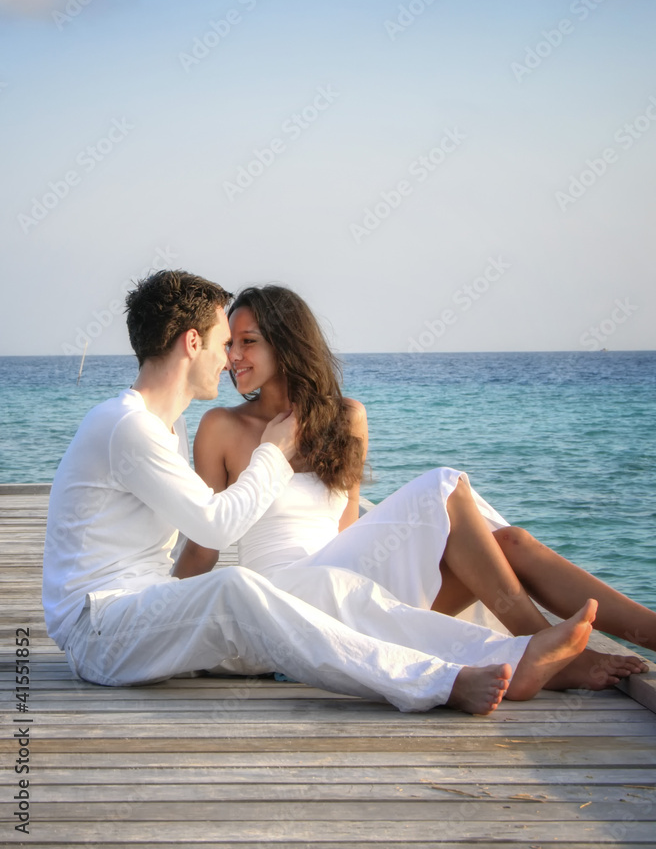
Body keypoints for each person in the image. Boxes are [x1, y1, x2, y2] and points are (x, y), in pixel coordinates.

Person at [42, 269, 602, 716]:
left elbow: (194, 541)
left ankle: (511, 655)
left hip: (139, 610)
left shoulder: (166, 426)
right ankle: (443, 683)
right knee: (239, 589)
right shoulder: (126, 425)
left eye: (240, 343)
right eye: (220, 341)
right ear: (192, 341)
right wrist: (274, 452)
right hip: (100, 626)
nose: (227, 356)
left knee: (315, 604)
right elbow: (212, 529)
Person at [176, 285, 656, 688]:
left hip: (351, 586)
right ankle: (542, 645)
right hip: (290, 601)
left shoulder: (346, 417)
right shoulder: (224, 427)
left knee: (509, 543)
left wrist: (427, 554)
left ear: (288, 342)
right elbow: (204, 546)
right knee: (445, 486)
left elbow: (349, 529)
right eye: (230, 344)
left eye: (246, 341)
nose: (232, 356)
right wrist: (154, 616)